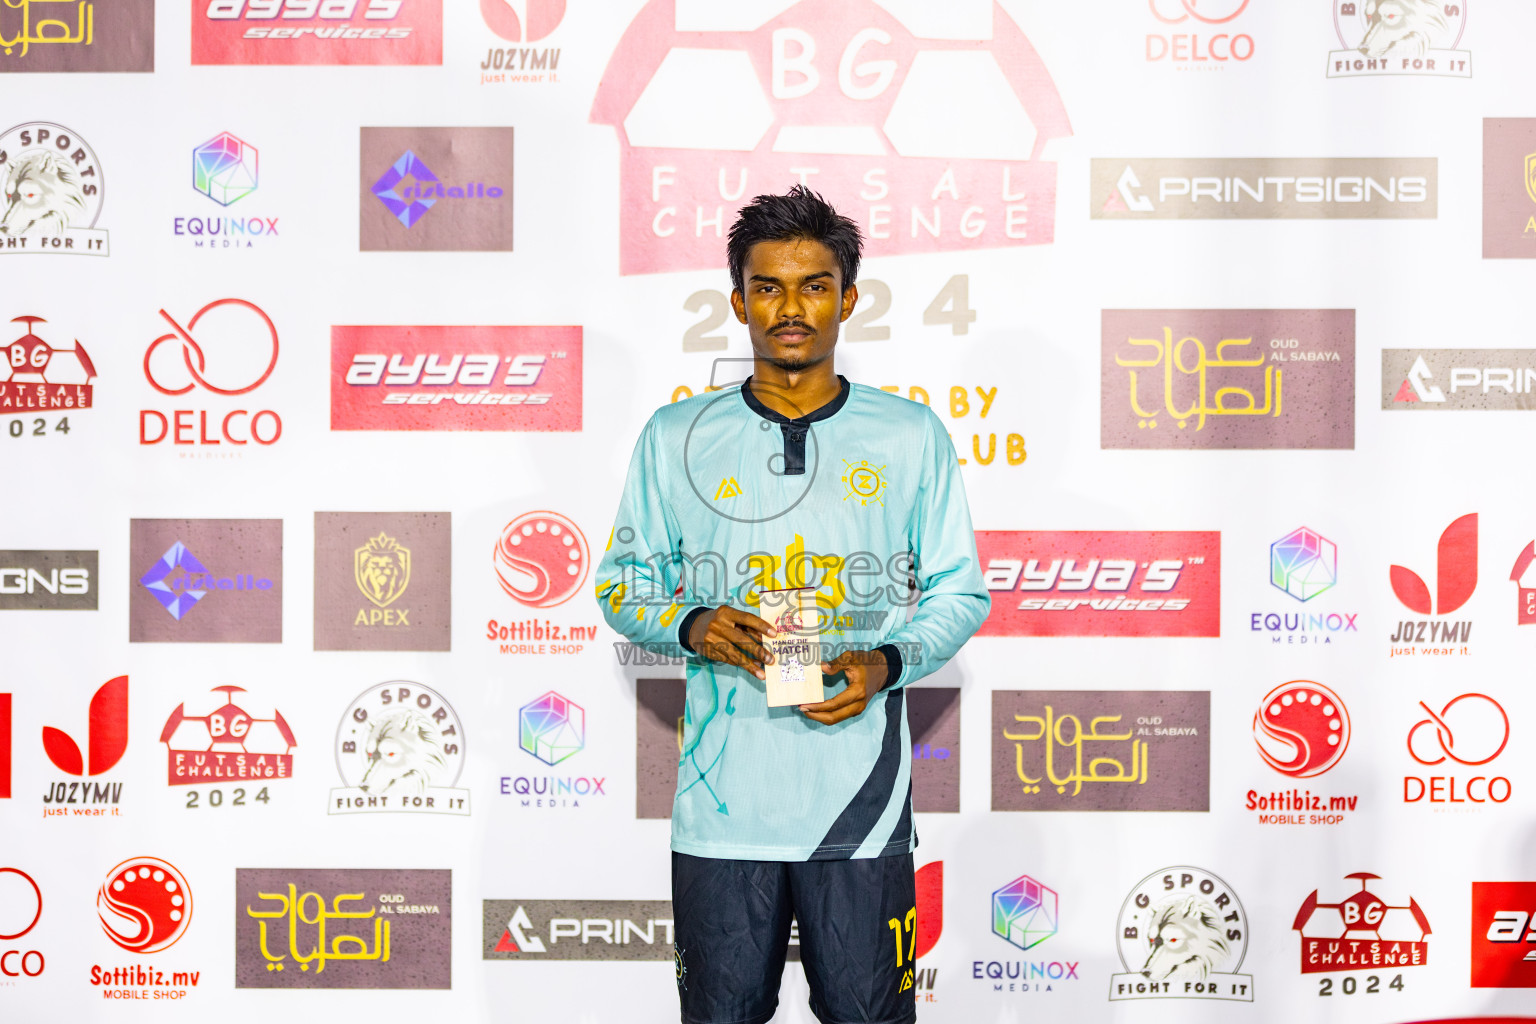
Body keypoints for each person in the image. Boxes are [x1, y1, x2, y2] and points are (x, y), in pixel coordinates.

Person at [595, 185, 989, 1024]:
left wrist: (885, 662)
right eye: (767, 287)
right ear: (736, 299)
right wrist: (692, 624)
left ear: (848, 297)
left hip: (860, 810)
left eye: (813, 285)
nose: (790, 308)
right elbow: (623, 586)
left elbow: (960, 590)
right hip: (723, 813)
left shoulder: (912, 436)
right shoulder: (677, 438)